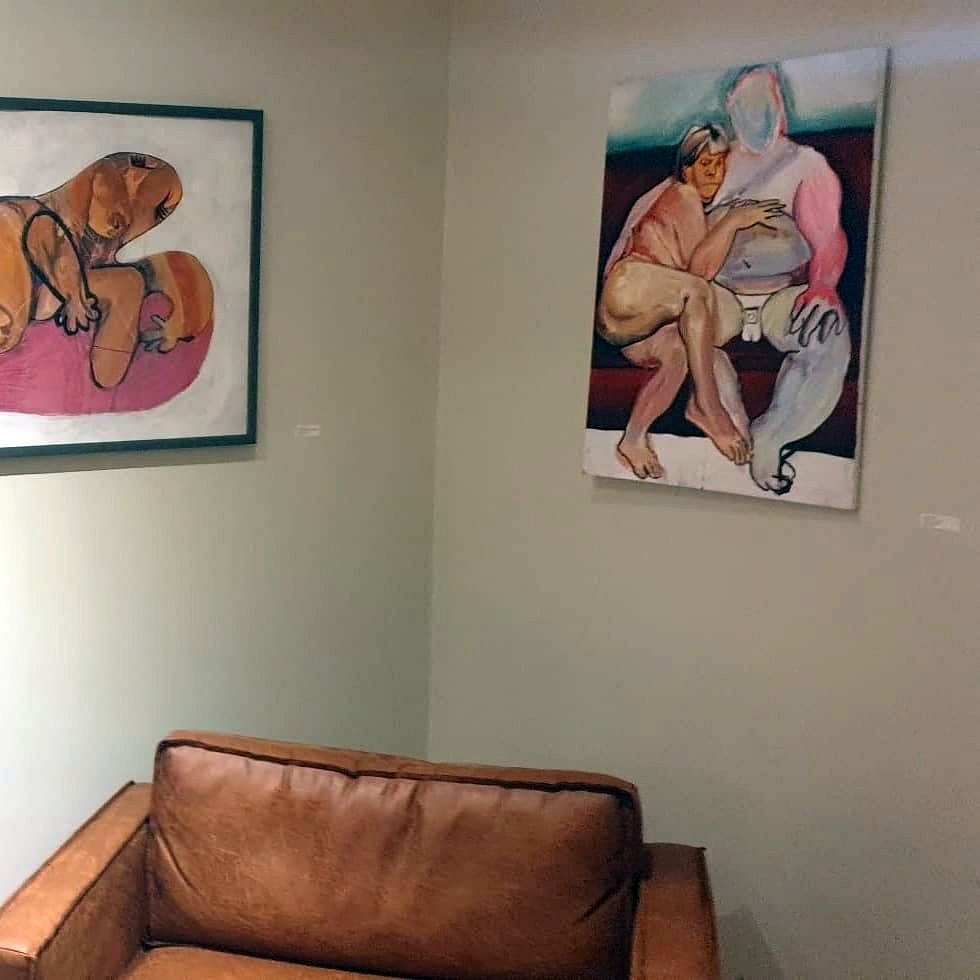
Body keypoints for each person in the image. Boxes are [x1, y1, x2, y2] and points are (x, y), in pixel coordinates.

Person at [598, 124, 785, 479]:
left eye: (720, 163)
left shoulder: (694, 204)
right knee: (698, 292)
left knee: (680, 355)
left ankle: (633, 438)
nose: (714, 172)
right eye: (704, 164)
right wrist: (731, 223)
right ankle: (708, 405)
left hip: (638, 323)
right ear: (687, 169)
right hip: (628, 288)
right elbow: (698, 274)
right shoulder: (682, 195)